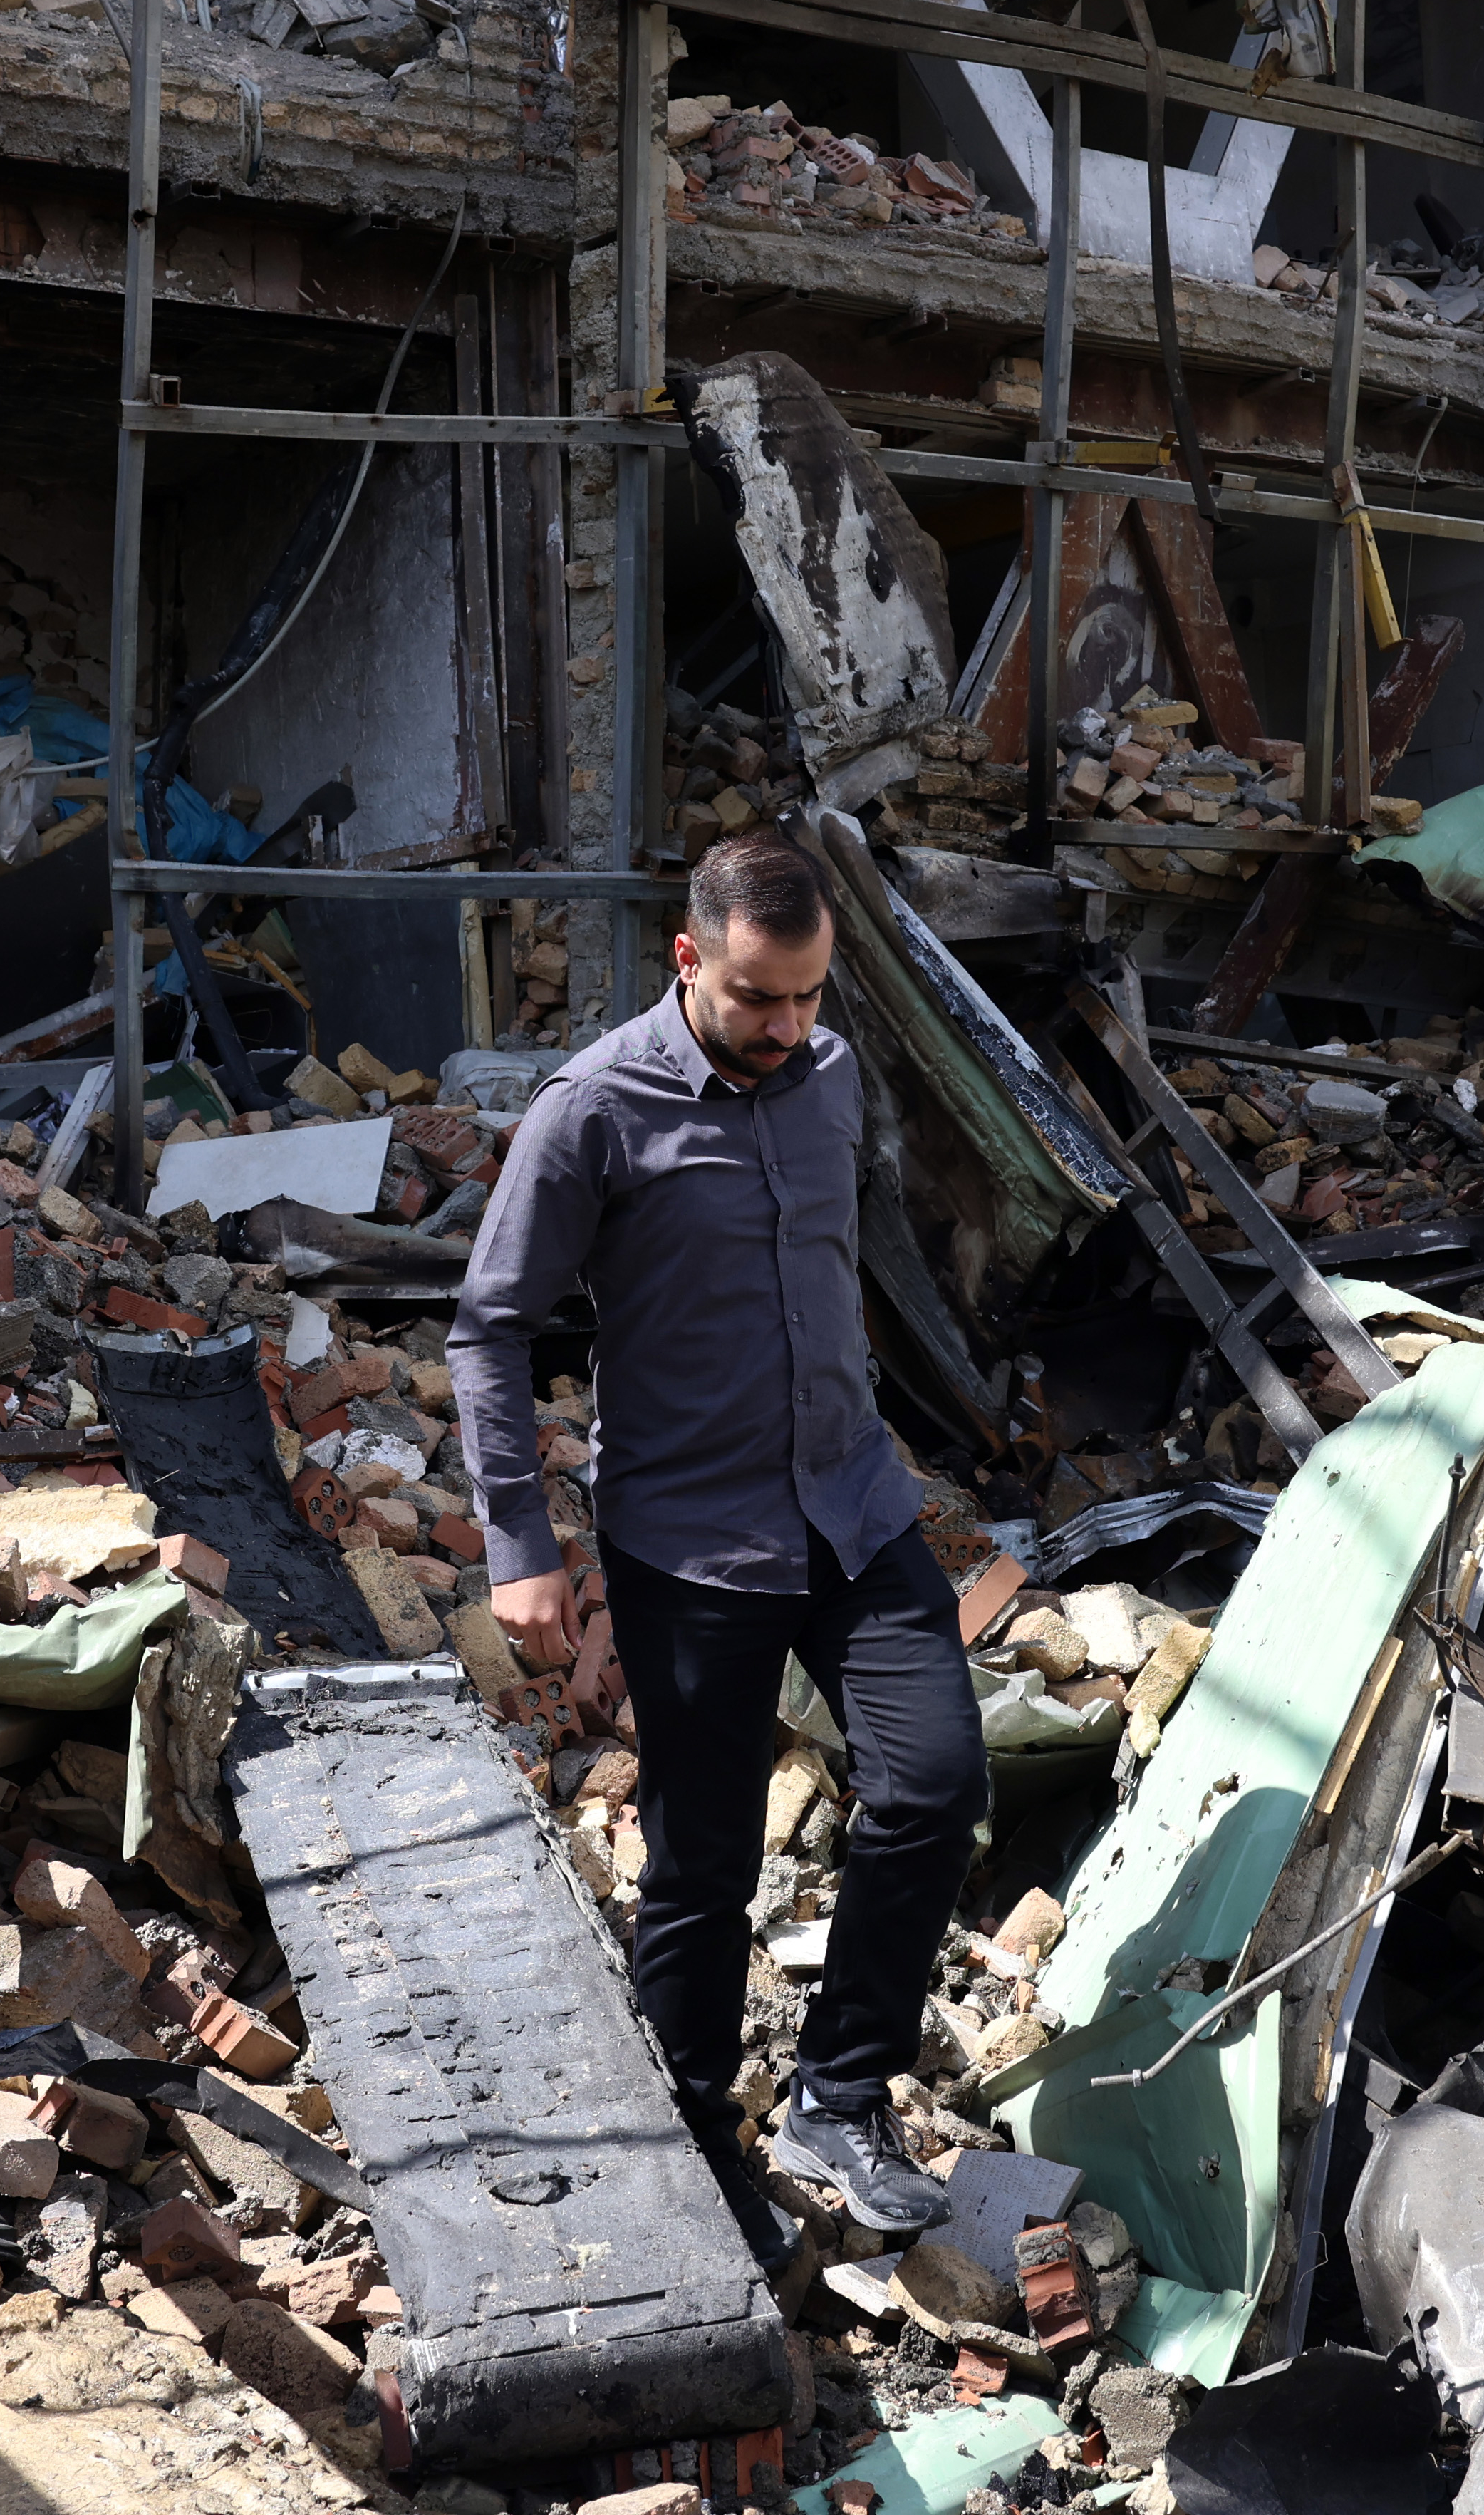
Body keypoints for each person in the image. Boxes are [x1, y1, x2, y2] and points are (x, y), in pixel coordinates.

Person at [446, 830, 978, 2238]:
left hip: (853, 1506)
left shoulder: (829, 1077)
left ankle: (839, 2096)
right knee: (704, 1867)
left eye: (809, 996)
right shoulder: (594, 1111)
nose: (788, 1026)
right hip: (691, 1539)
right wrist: (521, 1539)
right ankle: (692, 2136)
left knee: (934, 1783)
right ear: (690, 958)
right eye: (758, 997)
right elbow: (490, 1326)